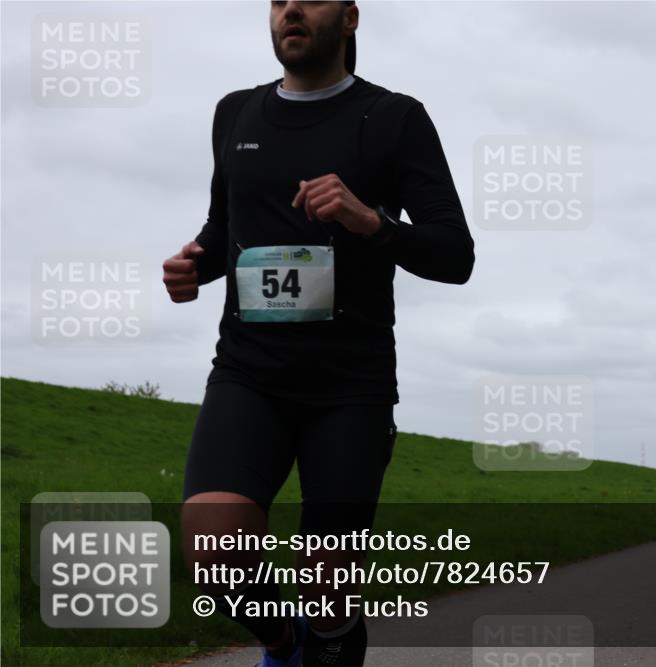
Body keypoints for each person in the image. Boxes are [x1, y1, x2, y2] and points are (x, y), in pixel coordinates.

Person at [162, 3, 475, 665]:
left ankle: (323, 634)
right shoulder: (235, 113)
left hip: (349, 386)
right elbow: (227, 229)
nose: (292, 9)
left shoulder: (394, 118)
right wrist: (196, 261)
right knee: (215, 546)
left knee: (328, 584)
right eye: (278, 0)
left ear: (351, 18)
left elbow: (456, 255)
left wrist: (373, 222)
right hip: (250, 370)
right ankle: (282, 641)